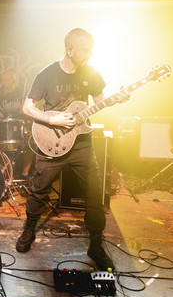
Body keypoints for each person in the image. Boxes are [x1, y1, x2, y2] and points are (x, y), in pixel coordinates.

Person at [16, 27, 119, 272]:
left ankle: (96, 244)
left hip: (82, 145)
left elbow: (100, 101)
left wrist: (117, 99)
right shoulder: (47, 74)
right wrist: (51, 119)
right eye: (85, 50)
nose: (90, 55)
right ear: (70, 49)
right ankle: (29, 230)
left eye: (91, 50)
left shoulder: (91, 73)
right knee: (39, 191)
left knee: (94, 196)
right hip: (52, 142)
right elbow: (27, 107)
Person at [0, 68, 35, 179]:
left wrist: (25, 110)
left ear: (13, 81)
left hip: (19, 129)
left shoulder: (22, 93)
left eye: (6, 80)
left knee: (31, 143)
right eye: (2, 80)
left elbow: (32, 112)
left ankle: (25, 172)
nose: (3, 83)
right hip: (1, 129)